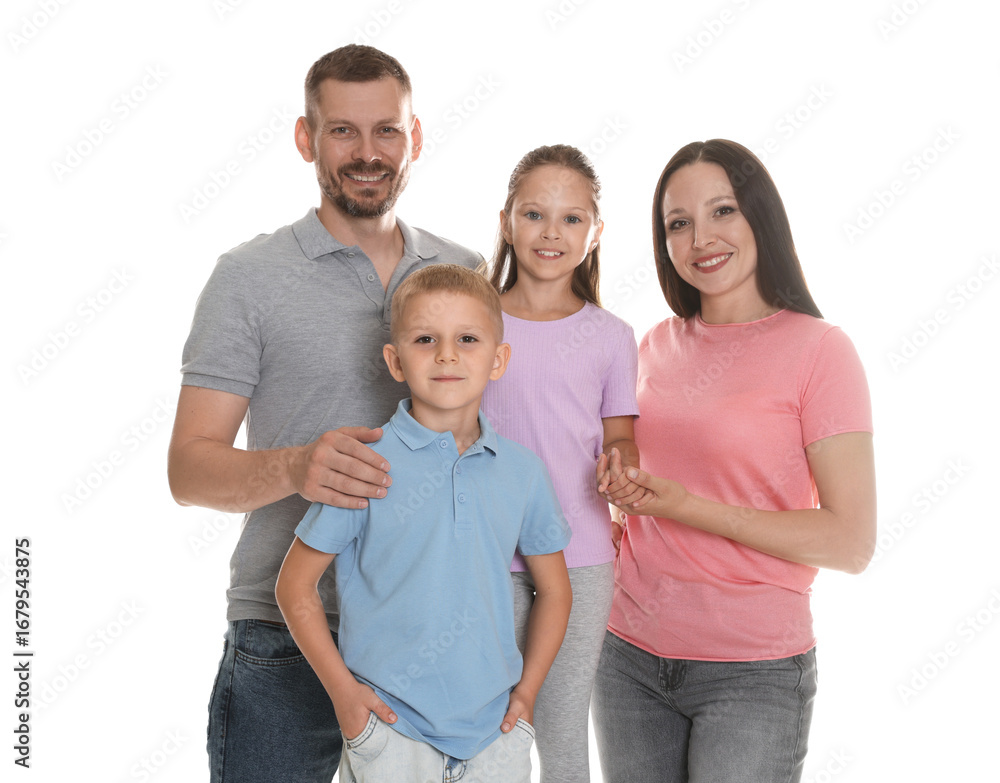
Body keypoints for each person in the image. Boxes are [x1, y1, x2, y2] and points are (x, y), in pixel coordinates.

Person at [167, 46, 482, 783]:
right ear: (306, 138)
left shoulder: (467, 272)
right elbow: (188, 469)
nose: (368, 153)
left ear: (415, 137)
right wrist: (296, 466)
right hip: (282, 637)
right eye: (343, 131)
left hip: (431, 635)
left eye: (387, 130)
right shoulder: (248, 278)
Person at [591, 139, 877, 783]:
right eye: (678, 223)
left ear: (760, 216)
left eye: (723, 211)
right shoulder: (652, 345)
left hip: (752, 673)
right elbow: (642, 486)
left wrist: (688, 507)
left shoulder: (821, 351)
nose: (701, 239)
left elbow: (851, 542)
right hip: (627, 655)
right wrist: (618, 500)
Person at [275, 264, 573, 783]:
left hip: (495, 737)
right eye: (425, 339)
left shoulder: (523, 471)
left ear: (499, 359)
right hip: (390, 733)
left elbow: (555, 591)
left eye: (467, 339)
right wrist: (346, 698)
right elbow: (294, 586)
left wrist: (527, 694)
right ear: (395, 360)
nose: (447, 355)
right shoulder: (364, 465)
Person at [480, 144, 644, 783]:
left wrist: (620, 467)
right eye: (534, 214)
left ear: (595, 233)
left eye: (572, 218)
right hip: (483, 555)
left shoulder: (611, 336)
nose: (551, 232)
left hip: (580, 561)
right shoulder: (474, 322)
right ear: (506, 223)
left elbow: (620, 435)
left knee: (562, 731)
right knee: (487, 729)